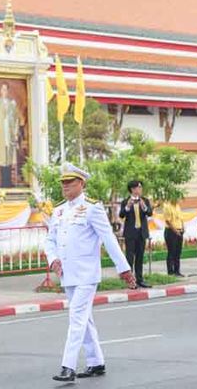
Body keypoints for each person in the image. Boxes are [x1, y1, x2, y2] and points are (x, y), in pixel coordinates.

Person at [46, 163, 136, 382]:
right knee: (84, 320)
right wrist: (53, 260)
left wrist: (123, 268)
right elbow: (50, 240)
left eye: (70, 182)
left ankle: (68, 366)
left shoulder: (92, 208)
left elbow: (108, 239)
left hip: (86, 274)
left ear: (81, 184)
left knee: (76, 317)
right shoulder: (58, 210)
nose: (65, 186)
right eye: (63, 182)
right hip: (68, 274)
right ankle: (96, 362)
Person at [119, 180, 153, 288]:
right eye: (139, 188)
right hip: (130, 233)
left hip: (141, 233)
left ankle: (140, 279)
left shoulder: (145, 200)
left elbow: (149, 213)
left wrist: (144, 206)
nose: (140, 190)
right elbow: (121, 215)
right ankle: (130, 281)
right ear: (133, 189)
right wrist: (128, 207)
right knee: (129, 257)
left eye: (141, 188)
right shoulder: (125, 201)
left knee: (140, 257)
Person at [0, 82, 19, 188]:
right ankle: (3, 183)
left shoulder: (12, 104)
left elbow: (16, 120)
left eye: (6, 89)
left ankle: (8, 182)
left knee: (9, 157)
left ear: (8, 91)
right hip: (1, 132)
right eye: (2, 89)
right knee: (2, 157)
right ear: (0, 91)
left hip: (10, 133)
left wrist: (15, 133)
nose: (4, 92)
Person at [163, 200, 184, 277]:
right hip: (171, 231)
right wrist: (175, 231)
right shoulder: (167, 206)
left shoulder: (178, 206)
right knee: (171, 252)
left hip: (179, 230)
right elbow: (168, 221)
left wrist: (183, 227)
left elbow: (181, 218)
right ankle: (170, 272)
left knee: (178, 252)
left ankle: (177, 271)